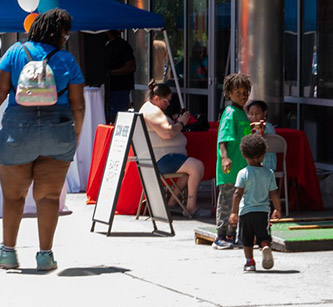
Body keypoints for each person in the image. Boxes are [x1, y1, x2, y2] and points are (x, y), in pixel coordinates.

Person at [0, 8, 85, 271]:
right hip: (57, 131)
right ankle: (45, 255)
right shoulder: (67, 60)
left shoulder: (15, 52)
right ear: (61, 33)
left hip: (18, 130)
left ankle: (8, 253)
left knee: (13, 196)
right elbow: (78, 105)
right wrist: (76, 133)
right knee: (48, 197)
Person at [138, 80, 206, 217]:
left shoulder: (151, 109)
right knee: (197, 166)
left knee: (189, 170)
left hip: (162, 157)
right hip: (160, 159)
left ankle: (172, 203)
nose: (168, 104)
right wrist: (181, 122)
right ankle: (191, 207)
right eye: (166, 101)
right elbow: (167, 132)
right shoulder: (153, 111)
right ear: (156, 98)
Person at [228, 133, 282, 272]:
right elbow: (274, 193)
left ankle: (250, 262)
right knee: (263, 235)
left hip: (246, 212)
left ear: (244, 155)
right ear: (263, 155)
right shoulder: (269, 173)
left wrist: (234, 212)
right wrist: (277, 209)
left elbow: (237, 193)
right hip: (263, 212)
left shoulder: (243, 173)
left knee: (247, 239)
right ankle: (264, 245)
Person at [213, 72, 252, 250]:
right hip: (230, 168)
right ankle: (221, 235)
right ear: (228, 93)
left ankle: (232, 234)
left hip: (242, 168)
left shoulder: (242, 113)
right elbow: (223, 138)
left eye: (245, 93)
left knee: (239, 203)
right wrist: (225, 157)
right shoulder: (230, 112)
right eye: (238, 93)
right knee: (227, 202)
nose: (243, 96)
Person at [103, 29, 136, 123]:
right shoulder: (108, 46)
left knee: (118, 117)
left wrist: (111, 73)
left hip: (120, 89)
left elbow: (131, 66)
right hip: (110, 89)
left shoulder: (122, 46)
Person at [245, 99, 278, 174]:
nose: (254, 116)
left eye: (257, 113)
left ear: (265, 113)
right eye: (251, 114)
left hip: (264, 163)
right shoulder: (250, 127)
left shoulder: (267, 127)